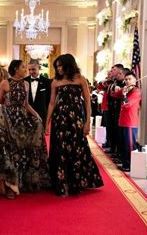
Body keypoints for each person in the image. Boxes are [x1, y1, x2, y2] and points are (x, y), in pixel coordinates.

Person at [0, 60, 49, 199]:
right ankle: (9, 186)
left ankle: (22, 182)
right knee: (9, 151)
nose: (25, 70)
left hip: (22, 121)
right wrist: (2, 111)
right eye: (23, 67)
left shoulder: (26, 84)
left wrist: (36, 115)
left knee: (22, 151)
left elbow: (26, 104)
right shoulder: (5, 83)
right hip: (9, 121)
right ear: (15, 68)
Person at [46, 54, 103, 196]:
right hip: (60, 120)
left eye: (61, 65)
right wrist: (47, 122)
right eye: (57, 66)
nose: (58, 69)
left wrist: (88, 122)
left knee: (77, 148)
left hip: (76, 119)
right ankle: (60, 182)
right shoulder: (55, 82)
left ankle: (76, 182)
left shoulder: (80, 79)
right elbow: (52, 103)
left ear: (68, 65)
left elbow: (87, 102)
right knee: (60, 149)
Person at [116, 71, 141, 172]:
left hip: (130, 121)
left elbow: (127, 105)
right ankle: (125, 163)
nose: (127, 81)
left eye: (129, 79)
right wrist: (118, 89)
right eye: (125, 79)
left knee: (130, 145)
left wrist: (125, 94)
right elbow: (114, 94)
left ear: (135, 80)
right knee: (123, 144)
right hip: (123, 121)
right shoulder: (126, 89)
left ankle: (130, 165)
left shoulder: (136, 91)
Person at [24, 58, 51, 124]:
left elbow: (49, 100)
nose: (31, 72)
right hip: (27, 115)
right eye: (29, 69)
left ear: (39, 67)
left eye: (33, 69)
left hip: (42, 115)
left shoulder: (47, 82)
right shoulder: (24, 81)